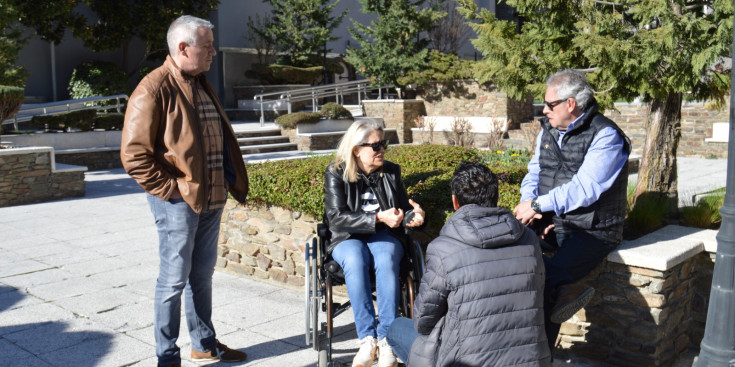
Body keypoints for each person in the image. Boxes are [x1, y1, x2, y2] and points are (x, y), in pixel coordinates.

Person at [120, 15, 249, 367]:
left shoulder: (202, 82)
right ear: (182, 47)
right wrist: (171, 190)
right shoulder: (153, 88)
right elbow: (133, 155)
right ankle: (167, 356)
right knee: (173, 281)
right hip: (178, 203)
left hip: (212, 199)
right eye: (207, 46)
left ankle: (204, 344)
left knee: (201, 277)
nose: (214, 52)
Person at [386, 161, 551, 366]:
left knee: (395, 328)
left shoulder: (444, 248)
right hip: (531, 360)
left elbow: (423, 322)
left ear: (455, 202)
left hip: (463, 360)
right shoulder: (528, 239)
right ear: (496, 196)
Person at [513, 69, 631, 350]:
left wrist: (539, 205)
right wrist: (531, 203)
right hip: (553, 220)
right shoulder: (550, 130)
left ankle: (537, 356)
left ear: (570, 103)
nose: (544, 110)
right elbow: (534, 172)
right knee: (510, 267)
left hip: (593, 230)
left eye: (549, 104)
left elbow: (585, 188)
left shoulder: (607, 136)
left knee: (549, 281)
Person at [323, 119, 425, 367]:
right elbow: (336, 217)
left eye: (384, 144)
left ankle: (387, 339)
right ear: (356, 149)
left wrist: (416, 216)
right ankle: (367, 339)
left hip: (385, 235)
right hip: (347, 236)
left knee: (386, 255)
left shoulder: (391, 171)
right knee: (356, 259)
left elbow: (402, 209)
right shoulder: (336, 172)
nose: (382, 150)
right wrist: (378, 217)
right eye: (376, 145)